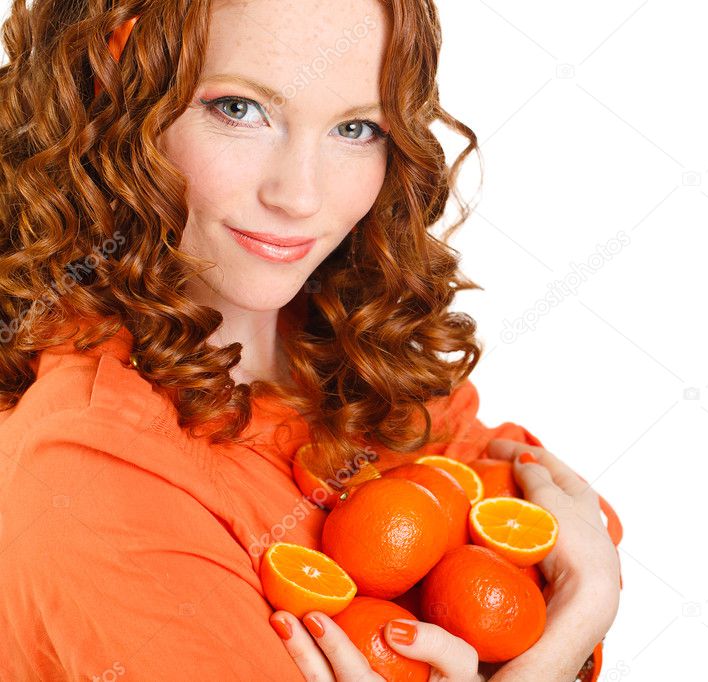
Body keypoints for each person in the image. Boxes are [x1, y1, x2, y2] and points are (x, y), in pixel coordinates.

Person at [0, 0, 623, 680]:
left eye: (355, 127)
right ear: (110, 102)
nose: (300, 196)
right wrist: (574, 628)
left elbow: (542, 531)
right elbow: (563, 587)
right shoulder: (93, 470)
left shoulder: (354, 347)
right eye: (238, 110)